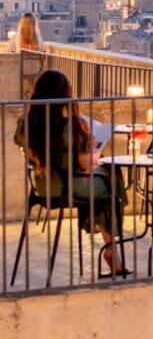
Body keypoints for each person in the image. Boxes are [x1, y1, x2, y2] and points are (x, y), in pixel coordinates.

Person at [14, 70, 128, 276]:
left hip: (43, 184)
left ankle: (112, 249)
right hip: (69, 187)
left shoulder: (27, 123)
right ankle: (112, 249)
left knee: (104, 182)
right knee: (111, 178)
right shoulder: (72, 126)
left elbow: (21, 142)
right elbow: (83, 164)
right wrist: (94, 146)